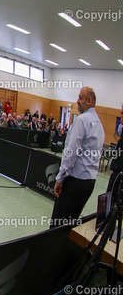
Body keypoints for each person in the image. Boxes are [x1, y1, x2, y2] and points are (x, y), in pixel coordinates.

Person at [51, 87, 105, 226]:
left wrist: (60, 178)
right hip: (88, 183)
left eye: (80, 98)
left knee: (58, 225)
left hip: (75, 181)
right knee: (71, 224)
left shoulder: (82, 121)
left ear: (89, 100)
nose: (77, 101)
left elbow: (71, 152)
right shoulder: (99, 124)